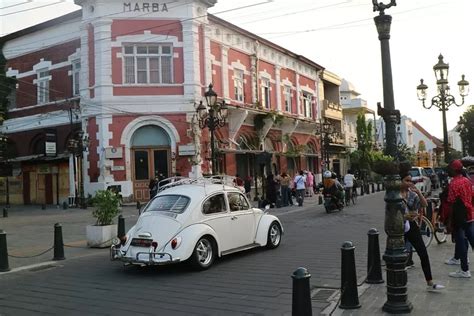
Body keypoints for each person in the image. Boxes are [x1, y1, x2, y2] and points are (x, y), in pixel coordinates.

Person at [399, 168, 445, 291]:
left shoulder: (412, 194)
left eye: (410, 181)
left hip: (411, 226)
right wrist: (404, 216)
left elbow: (424, 204)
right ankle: (397, 283)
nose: (409, 183)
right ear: (400, 181)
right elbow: (390, 214)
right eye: (406, 180)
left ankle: (429, 281)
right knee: (398, 255)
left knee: (423, 252)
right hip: (398, 227)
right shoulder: (395, 195)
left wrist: (418, 193)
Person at [444, 159, 474, 278]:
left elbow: (451, 205)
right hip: (469, 214)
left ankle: (464, 269)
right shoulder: (467, 181)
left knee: (461, 242)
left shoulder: (453, 184)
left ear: (454, 170)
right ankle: (463, 268)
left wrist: (449, 222)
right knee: (471, 239)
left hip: (459, 217)